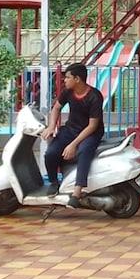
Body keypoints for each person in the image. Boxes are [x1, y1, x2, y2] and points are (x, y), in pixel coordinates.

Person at [40, 63, 105, 206]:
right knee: (51, 153)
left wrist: (73, 145)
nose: (64, 80)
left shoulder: (94, 96)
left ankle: (77, 192)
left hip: (90, 132)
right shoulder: (68, 92)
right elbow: (56, 108)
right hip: (71, 129)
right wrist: (51, 126)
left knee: (83, 151)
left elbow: (92, 125)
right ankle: (54, 182)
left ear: (77, 79)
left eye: (67, 77)